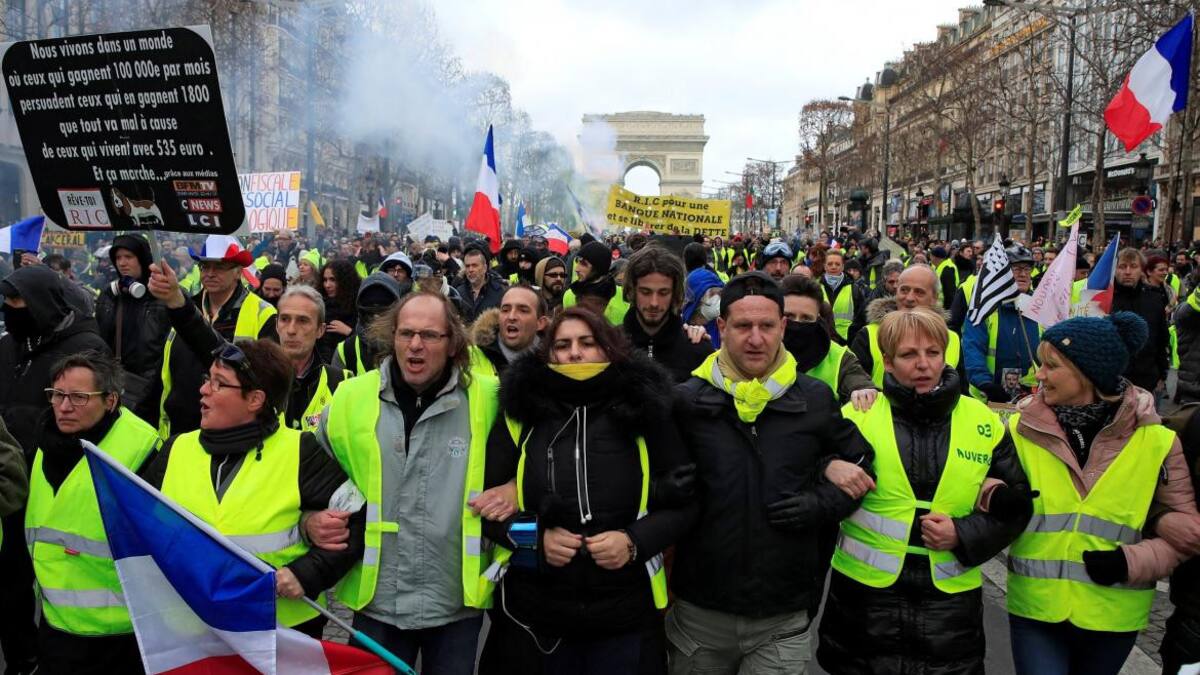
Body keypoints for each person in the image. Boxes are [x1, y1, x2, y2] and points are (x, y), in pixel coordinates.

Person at [668, 272, 874, 674]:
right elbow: (654, 484)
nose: (756, 338)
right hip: (700, 614)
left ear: (782, 327)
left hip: (782, 616)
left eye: (766, 326)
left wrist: (819, 500)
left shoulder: (814, 399)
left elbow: (863, 467)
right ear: (722, 328)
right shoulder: (686, 401)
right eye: (743, 326)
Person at [481, 307, 697, 675]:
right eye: (562, 345)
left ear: (609, 349)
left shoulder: (645, 409)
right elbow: (486, 511)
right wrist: (536, 539)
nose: (575, 353)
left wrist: (633, 542)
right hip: (535, 617)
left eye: (587, 343)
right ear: (547, 353)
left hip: (624, 615)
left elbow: (686, 504)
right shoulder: (520, 413)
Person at [817, 307, 1032, 675]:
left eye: (933, 353)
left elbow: (1016, 504)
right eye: (908, 354)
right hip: (864, 609)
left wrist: (963, 533)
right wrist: (825, 468)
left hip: (949, 615)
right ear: (887, 361)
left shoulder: (983, 420)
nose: (923, 364)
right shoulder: (856, 417)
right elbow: (812, 488)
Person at [311, 292, 502, 674]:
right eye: (406, 333)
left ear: (452, 345)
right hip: (378, 601)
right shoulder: (351, 397)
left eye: (430, 335)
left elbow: (528, 462)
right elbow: (310, 475)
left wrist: (512, 490)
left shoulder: (489, 397)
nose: (416, 345)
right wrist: (310, 518)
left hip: (455, 604)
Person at [1006, 313, 1198, 675]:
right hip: (1035, 606)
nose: (1039, 375)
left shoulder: (1157, 441)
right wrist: (995, 496)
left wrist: (1130, 562)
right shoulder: (1021, 427)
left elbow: (1186, 531)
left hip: (1114, 613)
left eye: (1051, 366)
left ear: (1088, 373)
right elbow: (986, 484)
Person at [140, 339, 363, 638]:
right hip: (193, 631)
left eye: (219, 384)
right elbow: (139, 519)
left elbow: (358, 520)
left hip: (280, 634)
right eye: (208, 379)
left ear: (255, 399)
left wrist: (308, 574)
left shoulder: (300, 451)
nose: (204, 390)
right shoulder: (175, 449)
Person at [27, 352, 160, 674]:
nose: (64, 406)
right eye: (57, 395)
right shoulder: (42, 445)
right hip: (55, 630)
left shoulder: (143, 450)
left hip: (122, 638)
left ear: (110, 401)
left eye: (78, 397)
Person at [139, 235, 278, 439]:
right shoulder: (182, 308)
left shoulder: (263, 313)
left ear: (238, 272)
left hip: (230, 435)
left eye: (220, 267)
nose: (210, 273)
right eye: (205, 266)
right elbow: (162, 374)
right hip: (176, 434)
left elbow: (264, 381)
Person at [852, 264, 961, 388]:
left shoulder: (952, 339)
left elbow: (960, 389)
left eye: (919, 292)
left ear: (934, 298)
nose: (909, 298)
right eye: (904, 290)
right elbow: (855, 382)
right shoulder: (869, 335)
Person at [94, 234, 169, 408]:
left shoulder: (164, 296)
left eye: (129, 257)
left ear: (142, 258)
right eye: (118, 258)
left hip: (154, 388)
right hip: (116, 384)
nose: (122, 263)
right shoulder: (110, 295)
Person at [780, 274, 876, 407]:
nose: (797, 323)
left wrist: (862, 390)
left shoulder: (839, 356)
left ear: (818, 318)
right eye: (789, 316)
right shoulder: (760, 349)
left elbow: (857, 380)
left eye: (806, 318)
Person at [621, 245, 713, 382]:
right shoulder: (610, 347)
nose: (654, 303)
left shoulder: (698, 350)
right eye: (645, 292)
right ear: (631, 291)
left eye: (663, 293)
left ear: (675, 294)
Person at [963, 246, 1039, 402]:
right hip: (987, 395)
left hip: (1030, 398)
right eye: (1016, 269)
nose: (1023, 274)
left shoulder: (1039, 307)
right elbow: (972, 347)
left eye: (1027, 269)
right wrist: (984, 383)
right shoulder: (984, 307)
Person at [276, 285, 346, 431]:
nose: (291, 330)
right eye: (285, 319)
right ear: (276, 325)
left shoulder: (340, 383)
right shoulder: (255, 378)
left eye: (303, 321)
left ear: (320, 330)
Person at [1112, 248, 1170, 396]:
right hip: (1113, 380)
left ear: (1141, 270)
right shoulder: (1106, 299)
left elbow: (1161, 339)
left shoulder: (1154, 299)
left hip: (1147, 379)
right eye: (1122, 266)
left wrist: (1162, 373)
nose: (1128, 272)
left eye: (1133, 266)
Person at [333, 271, 405, 377]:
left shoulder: (408, 347)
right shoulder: (346, 351)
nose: (376, 317)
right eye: (370, 310)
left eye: (382, 311)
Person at [470, 284, 549, 375]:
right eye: (505, 310)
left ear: (540, 323)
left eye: (523, 310)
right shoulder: (471, 358)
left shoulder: (557, 362)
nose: (511, 317)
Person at [820, 248, 866, 344]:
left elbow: (861, 318)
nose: (833, 267)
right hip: (821, 341)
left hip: (846, 342)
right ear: (824, 266)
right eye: (830, 264)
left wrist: (853, 338)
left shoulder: (854, 289)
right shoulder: (816, 288)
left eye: (837, 264)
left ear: (842, 267)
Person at [318, 260, 361, 365]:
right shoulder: (319, 305)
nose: (327, 285)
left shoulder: (359, 306)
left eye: (333, 280)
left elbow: (368, 344)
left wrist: (350, 332)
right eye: (325, 280)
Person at [456, 244, 508, 324]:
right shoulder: (459, 292)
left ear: (485, 268)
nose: (470, 270)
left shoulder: (500, 292)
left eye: (474, 265)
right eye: (467, 266)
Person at [681, 267, 724, 348]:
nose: (717, 299)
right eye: (711, 294)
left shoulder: (725, 325)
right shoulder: (684, 333)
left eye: (720, 293)